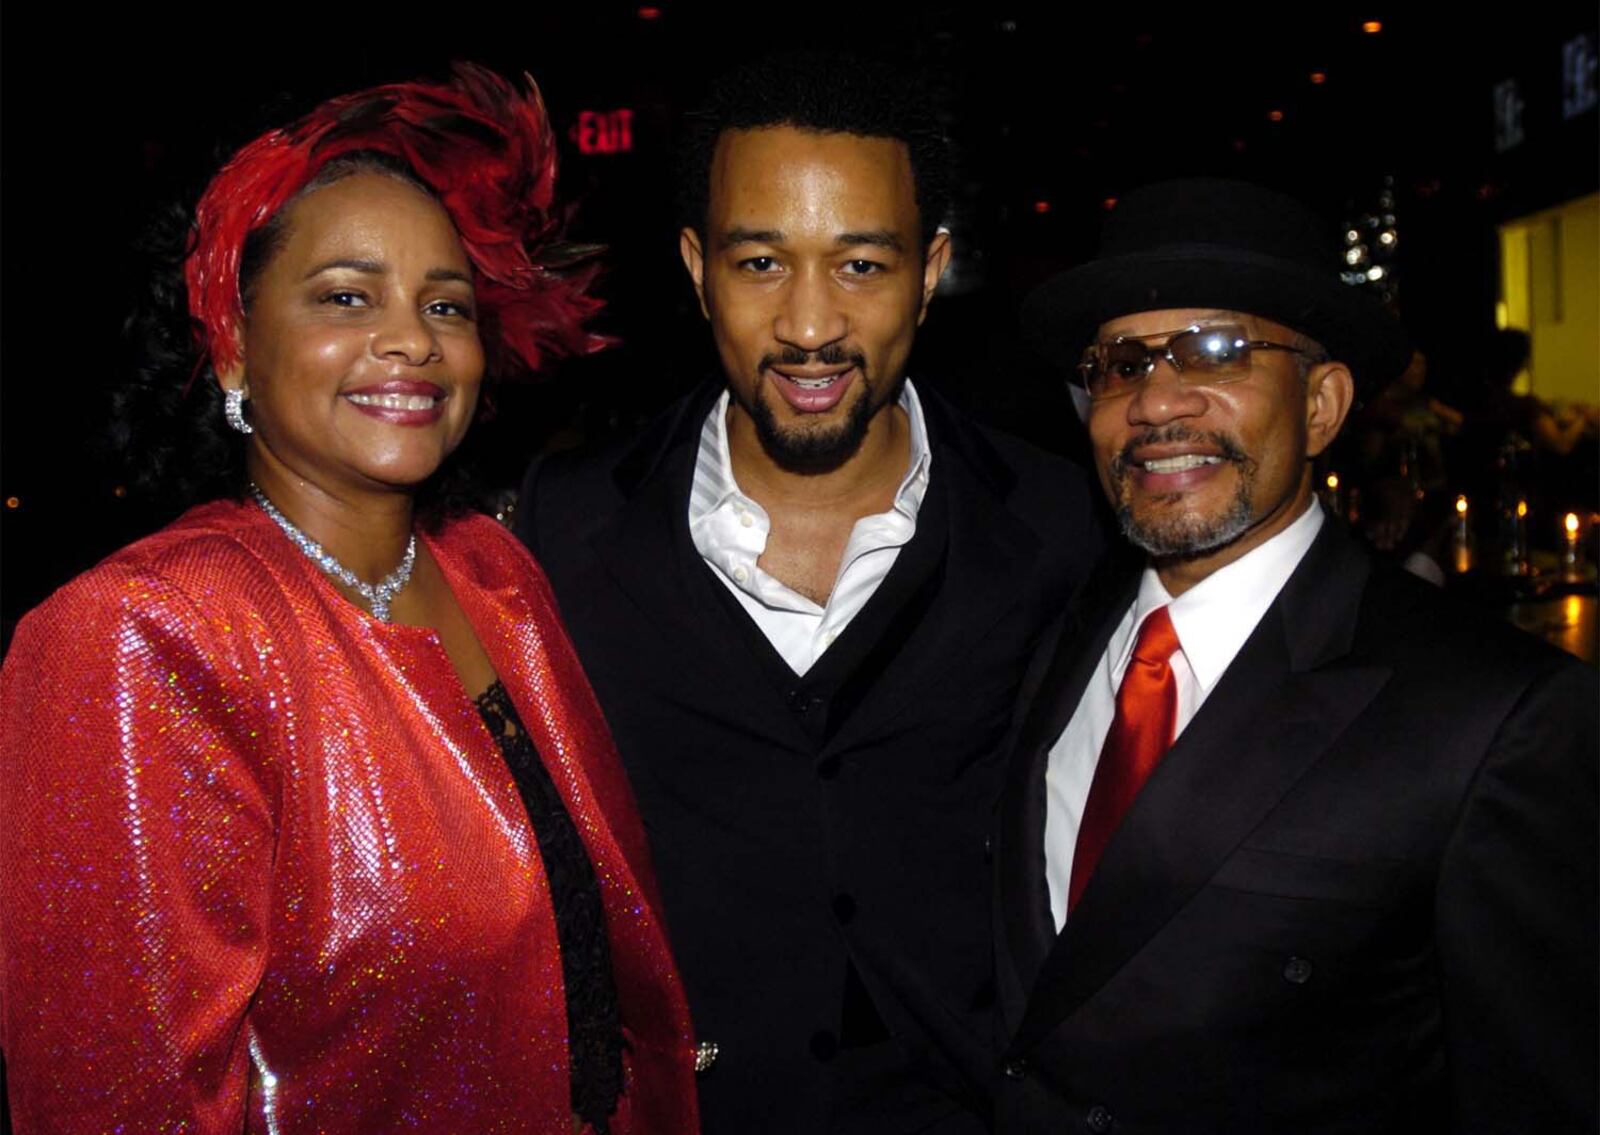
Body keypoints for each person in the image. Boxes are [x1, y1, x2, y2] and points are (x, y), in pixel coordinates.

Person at [0, 66, 698, 1134]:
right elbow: (126, 1099)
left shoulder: (497, 577)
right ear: (232, 338)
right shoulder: (146, 633)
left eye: (444, 304)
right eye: (345, 295)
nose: (411, 338)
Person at [516, 54, 1103, 1134]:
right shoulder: (565, 529)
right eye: (759, 263)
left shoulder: (1058, 526)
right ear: (696, 268)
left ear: (930, 270)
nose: (810, 327)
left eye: (862, 266)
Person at [994, 178, 1597, 1133]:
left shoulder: (1495, 718)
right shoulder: (1050, 634)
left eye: (1218, 348)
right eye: (1118, 363)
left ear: (1322, 405)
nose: (1156, 400)